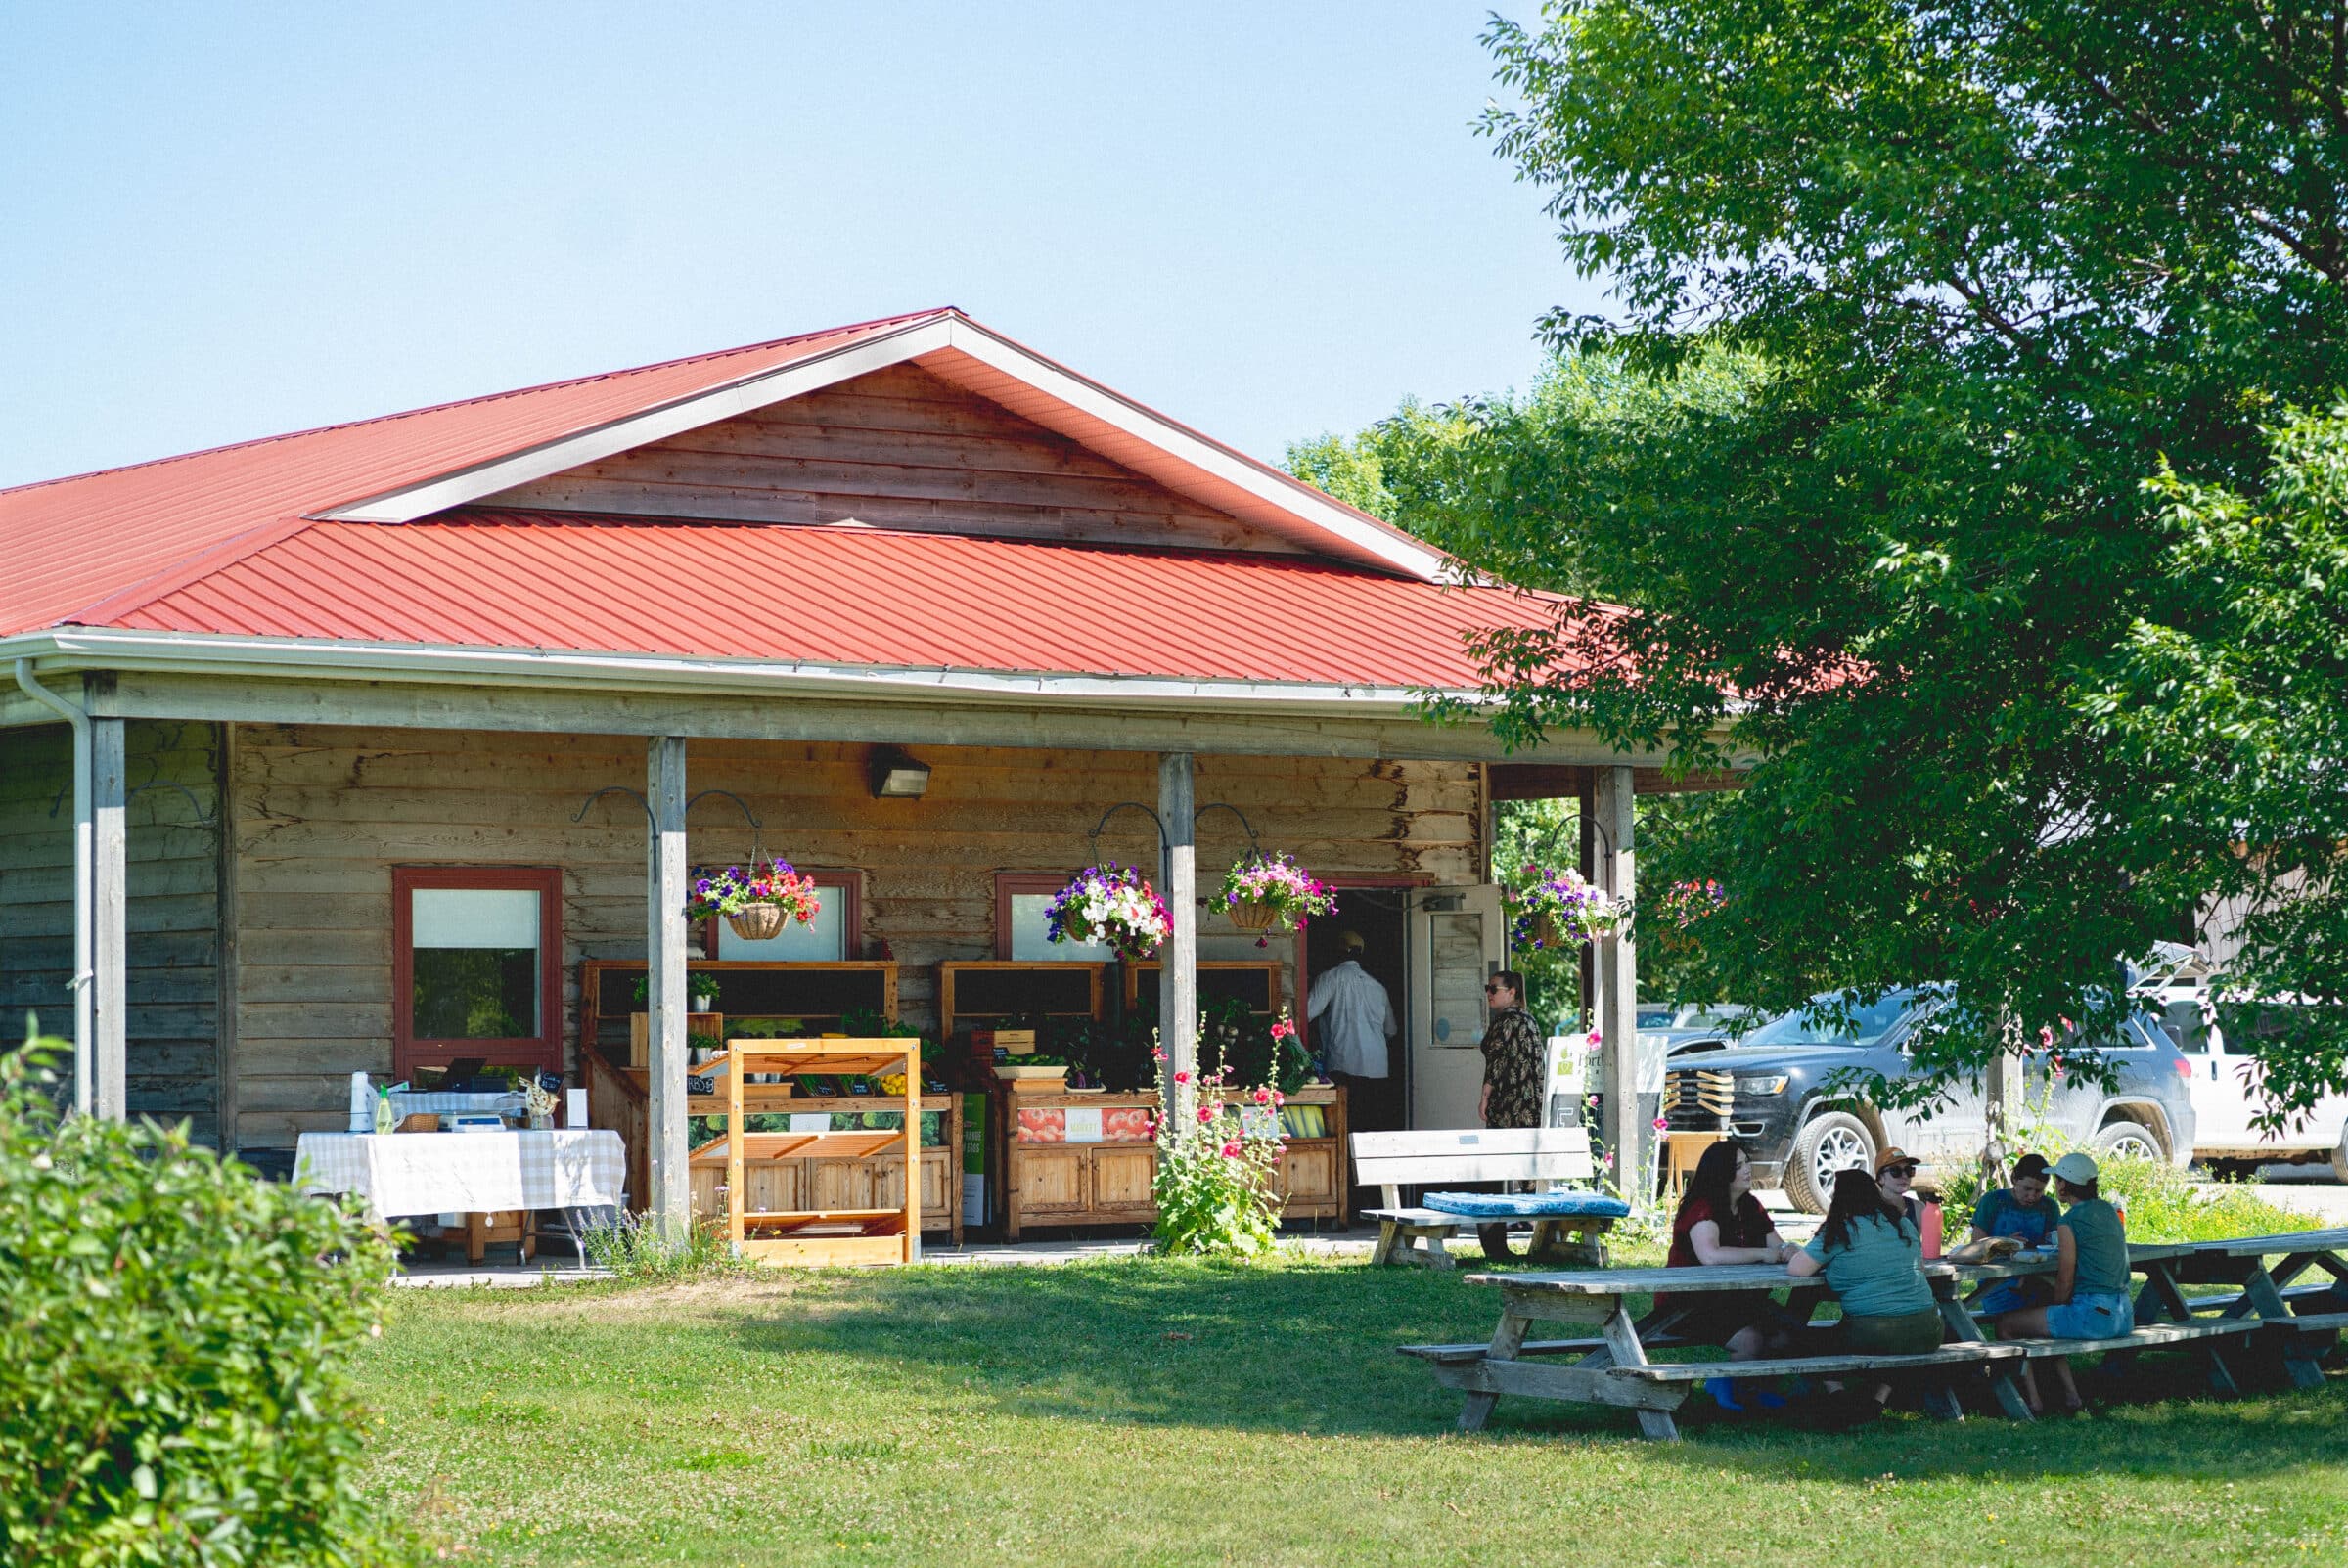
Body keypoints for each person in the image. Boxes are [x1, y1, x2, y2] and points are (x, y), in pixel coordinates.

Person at [1786, 1166, 1945, 1417]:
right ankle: (1877, 1398)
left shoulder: (1841, 1229)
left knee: (1814, 1340)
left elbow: (1798, 1270)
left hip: (1871, 1331)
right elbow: (1920, 1268)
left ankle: (1837, 1394)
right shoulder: (1902, 1224)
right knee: (1898, 1341)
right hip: (1928, 1330)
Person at [1662, 1141, 1801, 1409]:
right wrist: (1761, 1254)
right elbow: (1710, 1256)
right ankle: (1734, 1391)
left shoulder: (1751, 1205)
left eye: (1747, 1162)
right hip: (1689, 1303)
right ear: (1721, 1174)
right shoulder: (1702, 1208)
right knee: (1750, 1339)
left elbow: (1777, 1246)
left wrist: (1790, 1250)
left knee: (1787, 1334)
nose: (1747, 1169)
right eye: (1738, 1166)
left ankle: (1746, 1386)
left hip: (1736, 1300)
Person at [1992, 1150, 2131, 1415]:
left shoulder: (2069, 1221)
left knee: (2006, 1325)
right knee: (2046, 1318)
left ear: (2064, 1185)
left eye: (2056, 1180)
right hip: (2124, 1314)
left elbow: (2065, 1276)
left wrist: (2056, 1304)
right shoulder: (2109, 1211)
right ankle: (2070, 1396)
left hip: (2094, 1316)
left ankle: (2032, 1402)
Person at [1472, 970, 1547, 1257]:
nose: (1489, 993)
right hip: (1530, 1107)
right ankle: (1514, 1232)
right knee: (1522, 1167)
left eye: (1494, 988)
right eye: (1487, 988)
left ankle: (1495, 1242)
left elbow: (1497, 1062)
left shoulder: (1505, 1023)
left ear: (1512, 992)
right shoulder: (1530, 1022)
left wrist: (1484, 1096)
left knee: (1493, 1171)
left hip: (1508, 1106)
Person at [1305, 930, 1398, 1131]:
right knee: (1371, 1128)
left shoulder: (1330, 978)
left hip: (1344, 1066)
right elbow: (1391, 1029)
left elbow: (1305, 1014)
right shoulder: (1378, 987)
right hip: (1377, 1068)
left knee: (1345, 1127)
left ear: (1337, 952)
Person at [1968, 1152, 2063, 1318]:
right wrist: (2002, 1244)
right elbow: (1975, 1247)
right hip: (1997, 1283)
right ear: (2014, 1179)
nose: (2032, 1196)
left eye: (2039, 1191)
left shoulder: (2049, 1207)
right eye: (2027, 1189)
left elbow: (2053, 1244)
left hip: (2038, 1279)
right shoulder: (1993, 1201)